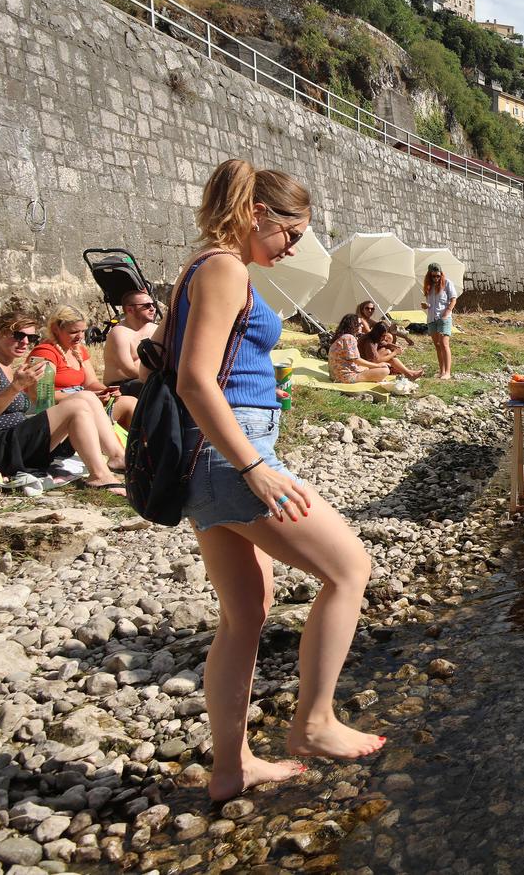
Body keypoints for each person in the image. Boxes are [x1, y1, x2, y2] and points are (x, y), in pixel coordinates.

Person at [172, 158, 381, 802]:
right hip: (231, 459)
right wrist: (255, 466)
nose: (293, 246)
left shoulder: (203, 269)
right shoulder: (224, 268)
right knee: (350, 570)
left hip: (210, 463)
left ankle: (231, 769)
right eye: (292, 232)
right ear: (258, 214)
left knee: (244, 617)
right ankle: (314, 723)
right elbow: (193, 380)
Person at [0, 312, 127, 493]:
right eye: (18, 335)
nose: (25, 342)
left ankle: (116, 456)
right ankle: (100, 475)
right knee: (78, 405)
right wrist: (16, 387)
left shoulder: (8, 367)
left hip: (16, 441)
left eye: (32, 337)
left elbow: (27, 406)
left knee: (87, 397)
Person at [29, 307, 137, 432]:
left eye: (82, 331)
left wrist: (105, 391)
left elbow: (90, 383)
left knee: (131, 402)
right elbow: (42, 396)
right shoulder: (45, 353)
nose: (80, 336)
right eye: (73, 332)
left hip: (82, 401)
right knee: (129, 404)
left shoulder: (77, 350)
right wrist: (87, 397)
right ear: (56, 329)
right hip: (58, 409)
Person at [104, 289, 159, 396]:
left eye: (153, 304)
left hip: (148, 379)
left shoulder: (155, 329)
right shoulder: (119, 333)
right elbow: (128, 369)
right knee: (161, 388)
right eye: (146, 306)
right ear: (130, 310)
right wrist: (157, 379)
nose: (152, 309)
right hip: (122, 384)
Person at [327, 313, 391, 384]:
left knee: (367, 368)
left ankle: (374, 376)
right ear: (353, 325)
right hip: (344, 377)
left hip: (335, 375)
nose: (362, 325)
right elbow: (356, 359)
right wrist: (378, 365)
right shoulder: (349, 338)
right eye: (360, 324)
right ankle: (373, 377)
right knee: (385, 370)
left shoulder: (341, 337)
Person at [421, 263, 458, 379]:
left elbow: (453, 300)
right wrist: (426, 305)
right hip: (432, 318)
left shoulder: (447, 283)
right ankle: (441, 371)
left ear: (441, 274)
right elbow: (431, 304)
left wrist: (447, 312)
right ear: (429, 275)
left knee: (444, 343)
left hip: (443, 318)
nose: (436, 278)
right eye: (433, 276)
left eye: (438, 276)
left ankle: (448, 372)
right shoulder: (429, 286)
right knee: (437, 345)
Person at [359, 321, 423, 380]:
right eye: (383, 336)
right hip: (363, 365)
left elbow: (384, 344)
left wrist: (394, 346)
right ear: (378, 334)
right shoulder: (369, 342)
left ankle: (408, 373)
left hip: (368, 360)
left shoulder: (374, 337)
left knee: (387, 351)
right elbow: (375, 360)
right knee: (388, 352)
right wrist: (395, 353)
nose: (384, 338)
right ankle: (409, 374)